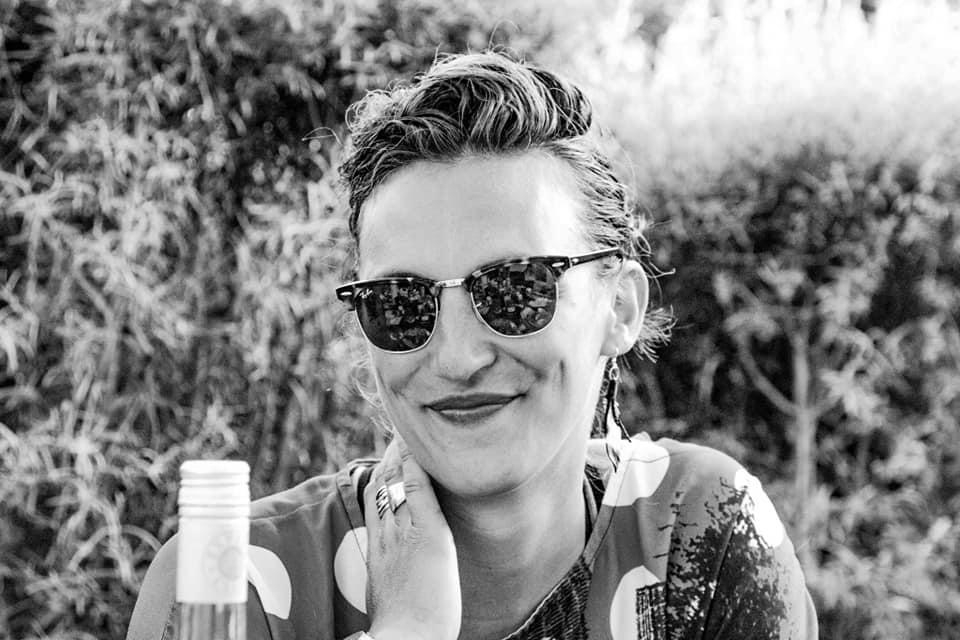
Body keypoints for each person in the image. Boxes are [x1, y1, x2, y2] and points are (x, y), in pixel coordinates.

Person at [127, 51, 818, 640]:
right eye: (401, 304)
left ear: (620, 308)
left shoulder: (699, 537)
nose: (458, 358)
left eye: (516, 289)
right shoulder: (230, 585)